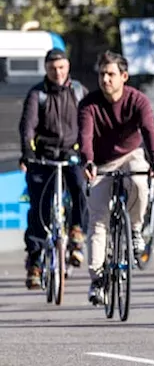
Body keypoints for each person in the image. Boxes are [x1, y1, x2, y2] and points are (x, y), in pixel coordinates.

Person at [78, 51, 154, 305]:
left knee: (139, 183)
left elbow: (149, 131)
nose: (105, 79)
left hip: (130, 154)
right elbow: (85, 136)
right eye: (102, 74)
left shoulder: (138, 101)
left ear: (124, 77)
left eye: (111, 74)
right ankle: (97, 280)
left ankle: (135, 229)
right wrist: (88, 162)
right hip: (101, 162)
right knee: (98, 220)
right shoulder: (89, 104)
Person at [18, 48, 88, 287]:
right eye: (52, 68)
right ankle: (35, 261)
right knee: (38, 206)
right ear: (46, 69)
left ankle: (77, 230)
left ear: (68, 66)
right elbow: (27, 126)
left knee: (80, 186)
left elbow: (88, 123)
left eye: (61, 67)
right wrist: (28, 152)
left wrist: (87, 151)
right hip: (43, 158)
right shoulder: (38, 94)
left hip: (71, 155)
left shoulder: (78, 92)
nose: (57, 73)